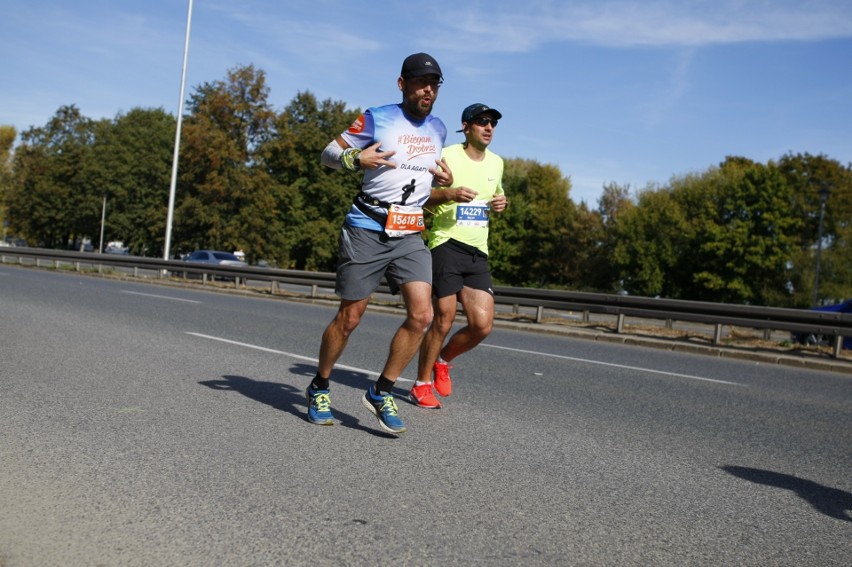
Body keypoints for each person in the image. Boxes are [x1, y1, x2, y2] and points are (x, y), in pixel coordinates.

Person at [306, 53, 453, 434]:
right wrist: (355, 158)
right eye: (421, 82)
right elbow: (328, 153)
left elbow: (419, 172)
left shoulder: (438, 128)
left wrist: (440, 180)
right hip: (367, 226)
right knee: (350, 317)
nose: (428, 89)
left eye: (434, 83)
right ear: (402, 84)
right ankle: (320, 385)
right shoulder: (376, 117)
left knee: (423, 316)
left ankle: (381, 391)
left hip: (410, 232)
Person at [409, 103, 507, 409]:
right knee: (444, 319)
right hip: (446, 242)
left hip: (478, 249)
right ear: (466, 126)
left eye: (492, 123)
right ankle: (422, 385)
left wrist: (502, 203)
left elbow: (496, 196)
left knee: (482, 325)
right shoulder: (447, 154)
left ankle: (443, 360)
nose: (489, 127)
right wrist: (450, 193)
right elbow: (420, 195)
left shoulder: (497, 163)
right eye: (482, 122)